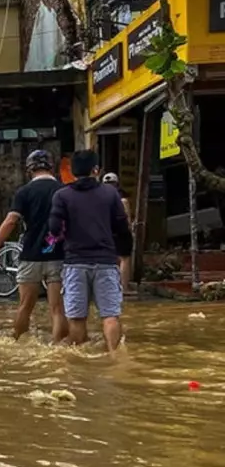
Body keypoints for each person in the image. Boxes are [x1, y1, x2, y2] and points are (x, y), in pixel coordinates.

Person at [48, 150, 131, 353]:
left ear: (73, 171)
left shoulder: (62, 196)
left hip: (75, 263)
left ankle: (80, 364)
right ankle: (114, 358)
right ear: (96, 170)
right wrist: (124, 253)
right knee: (110, 315)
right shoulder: (110, 194)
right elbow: (122, 228)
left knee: (77, 318)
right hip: (106, 262)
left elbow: (54, 229)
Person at [0, 150, 67, 342]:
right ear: (51, 167)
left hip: (31, 255)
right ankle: (58, 351)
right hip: (58, 255)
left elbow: (10, 221)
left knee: (25, 306)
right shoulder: (63, 191)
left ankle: (17, 345)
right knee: (57, 309)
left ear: (29, 169)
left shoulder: (24, 192)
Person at [101, 172, 135, 293]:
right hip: (121, 232)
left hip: (107, 232)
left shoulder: (100, 200)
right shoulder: (122, 200)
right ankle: (124, 287)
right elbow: (128, 220)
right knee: (125, 259)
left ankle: (111, 287)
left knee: (112, 260)